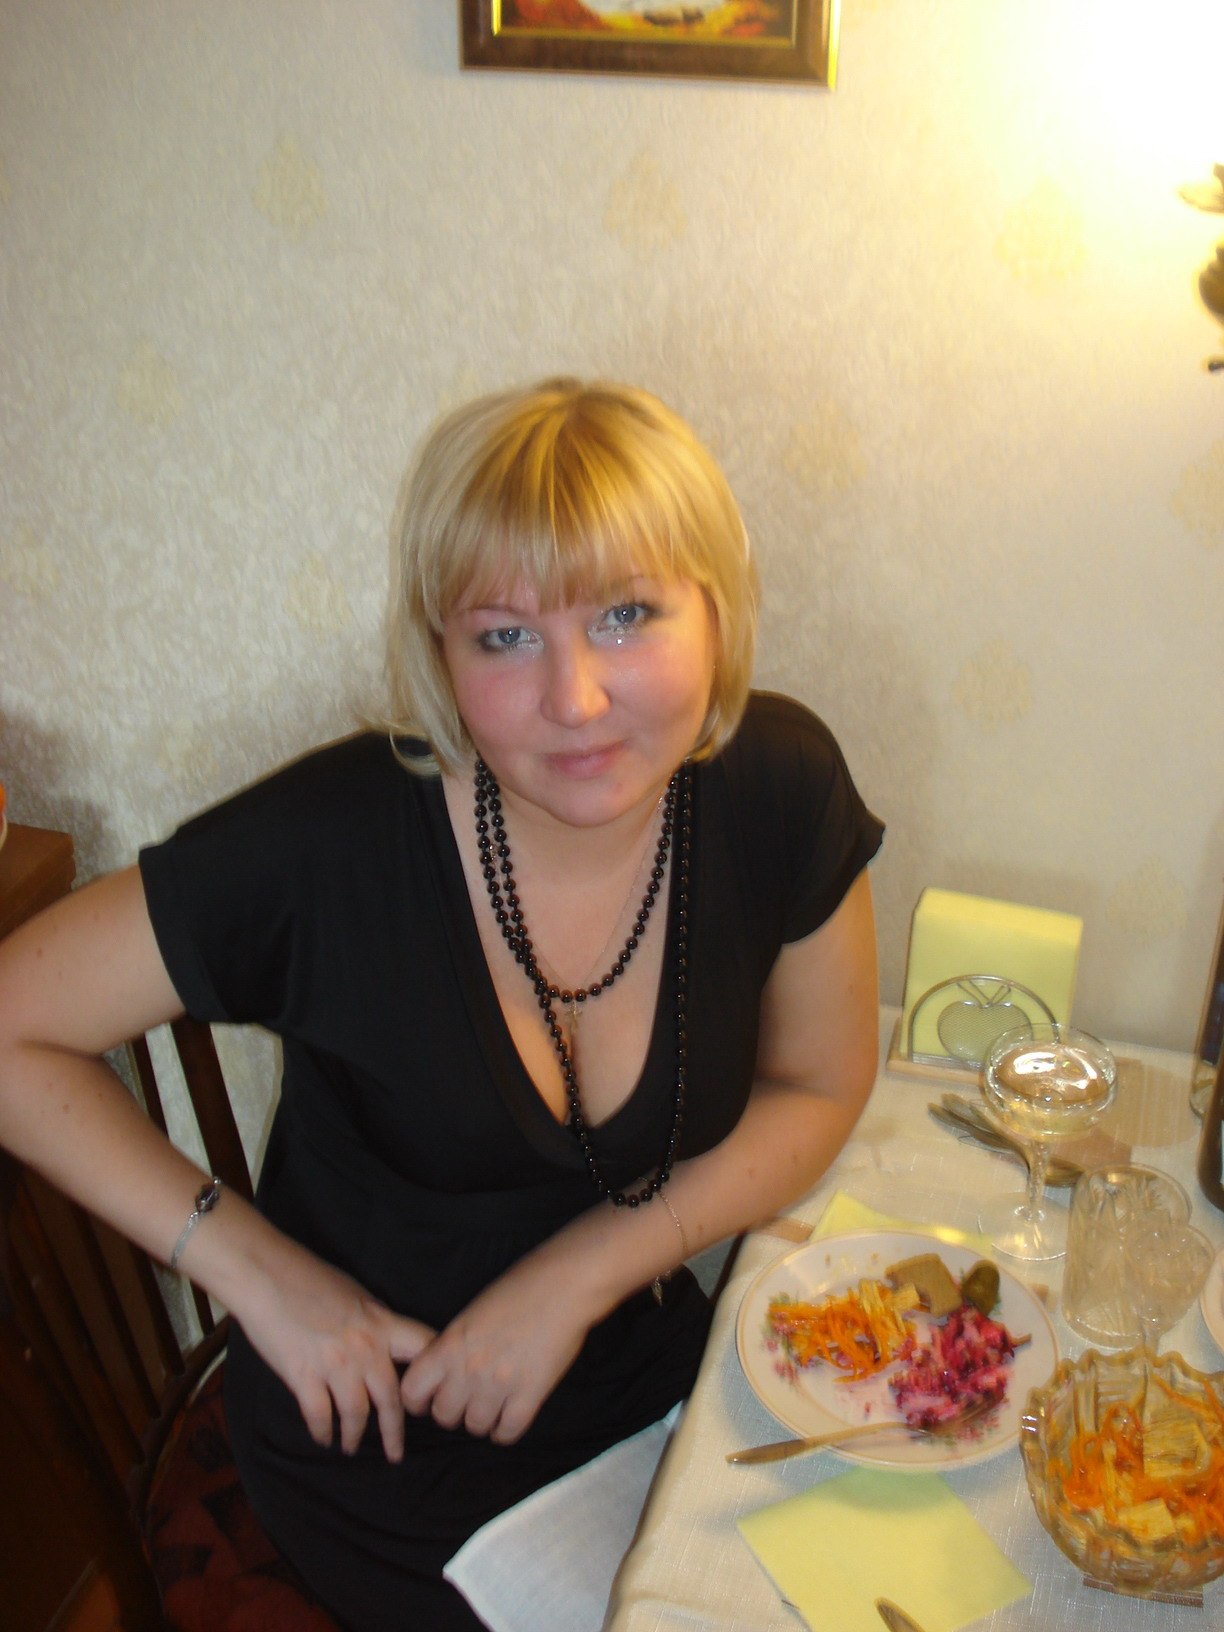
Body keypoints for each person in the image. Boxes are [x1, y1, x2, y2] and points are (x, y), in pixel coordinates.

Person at [0, 379, 883, 1630]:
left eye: (627, 614)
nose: (575, 699)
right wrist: (261, 1278)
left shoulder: (779, 785)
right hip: (383, 1427)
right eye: (504, 637)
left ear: (717, 611)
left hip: (638, 1368)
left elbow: (821, 1082)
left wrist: (578, 1278)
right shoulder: (332, 845)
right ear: (441, 654)